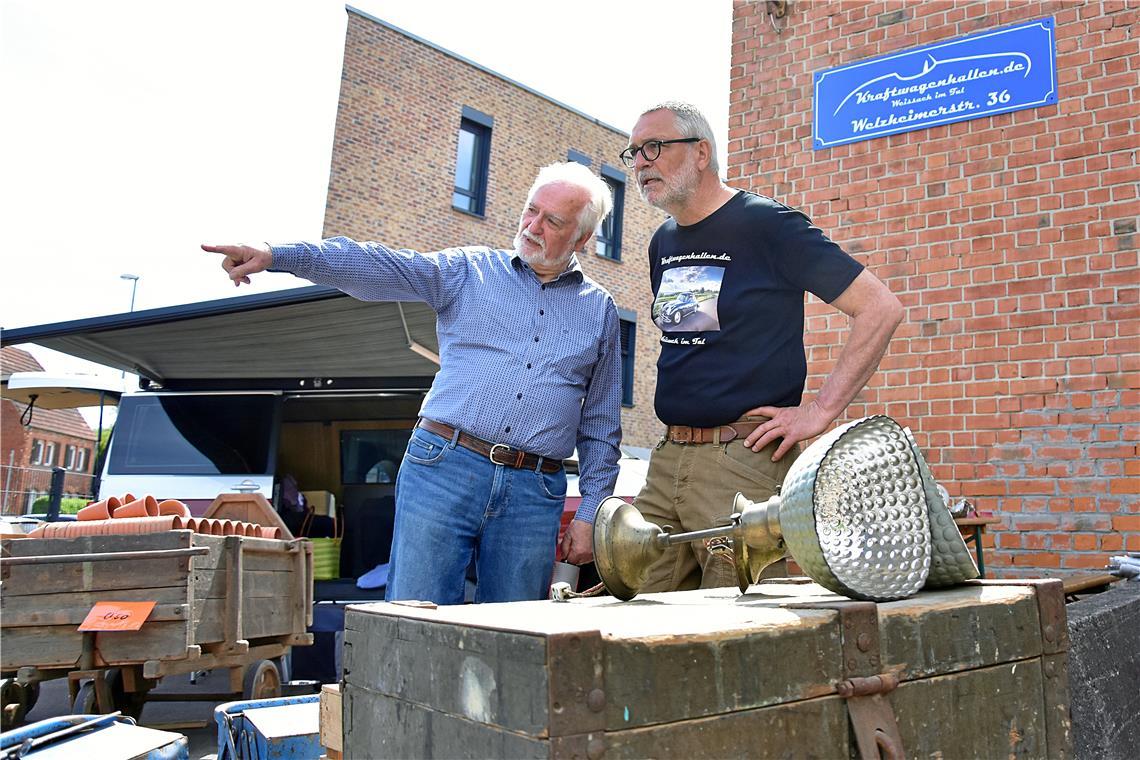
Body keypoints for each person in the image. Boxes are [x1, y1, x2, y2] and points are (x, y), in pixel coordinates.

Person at [203, 162, 622, 604]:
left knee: (519, 633)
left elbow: (600, 425)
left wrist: (591, 512)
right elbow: (375, 264)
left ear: (581, 239)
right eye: (530, 210)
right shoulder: (468, 271)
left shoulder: (599, 312)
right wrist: (278, 256)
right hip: (444, 466)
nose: (532, 226)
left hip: (534, 491)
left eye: (552, 221)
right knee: (416, 616)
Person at [623, 102, 904, 592]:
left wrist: (819, 410)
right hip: (667, 461)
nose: (642, 162)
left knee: (738, 633)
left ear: (701, 153)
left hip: (742, 464)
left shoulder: (768, 225)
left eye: (654, 147)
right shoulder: (662, 242)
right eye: (634, 153)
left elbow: (880, 308)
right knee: (642, 614)